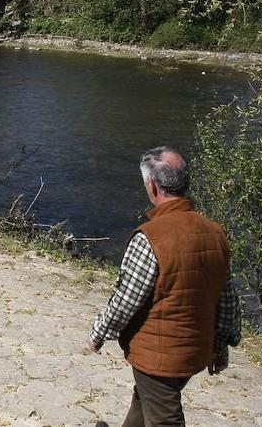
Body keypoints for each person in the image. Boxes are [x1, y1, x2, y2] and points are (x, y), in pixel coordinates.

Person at [87, 146, 241, 427]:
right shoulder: (215, 233)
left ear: (152, 186)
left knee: (164, 417)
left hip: (159, 355)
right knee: (147, 401)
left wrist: (99, 332)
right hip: (195, 349)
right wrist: (221, 345)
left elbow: (127, 299)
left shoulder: (149, 238)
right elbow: (227, 298)